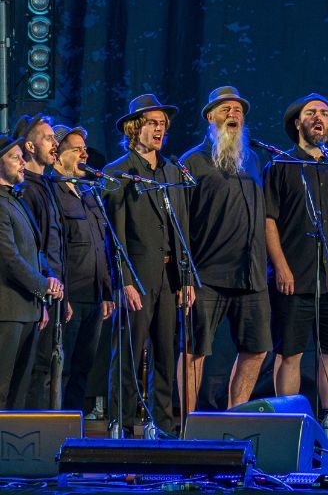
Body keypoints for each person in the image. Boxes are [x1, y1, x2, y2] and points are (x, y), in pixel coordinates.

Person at [265, 94, 328, 414]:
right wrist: (280, 267)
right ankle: (288, 424)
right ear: (298, 123)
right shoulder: (279, 164)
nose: (318, 118)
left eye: (324, 113)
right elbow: (268, 219)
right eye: (311, 113)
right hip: (293, 280)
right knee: (289, 354)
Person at [103, 94, 192, 433]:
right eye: (153, 123)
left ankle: (164, 425)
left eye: (163, 124)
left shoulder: (172, 171)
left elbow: (181, 227)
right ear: (134, 128)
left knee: (166, 355)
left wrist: (186, 278)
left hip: (170, 275)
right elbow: (115, 235)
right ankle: (121, 424)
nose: (159, 129)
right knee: (129, 352)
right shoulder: (118, 172)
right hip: (136, 275)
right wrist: (123, 279)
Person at [181, 86, 270, 411]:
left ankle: (236, 418)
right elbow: (180, 222)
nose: (233, 114)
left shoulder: (254, 159)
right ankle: (188, 423)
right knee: (195, 351)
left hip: (251, 275)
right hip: (207, 274)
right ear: (210, 117)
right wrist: (185, 275)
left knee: (257, 348)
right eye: (225, 109)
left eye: (238, 110)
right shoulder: (192, 161)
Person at [51, 125, 115, 415]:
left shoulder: (89, 193)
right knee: (61, 369)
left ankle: (74, 428)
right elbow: (55, 248)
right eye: (77, 149)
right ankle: (57, 428)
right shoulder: (52, 192)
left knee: (83, 368)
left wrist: (106, 290)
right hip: (70, 297)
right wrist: (62, 297)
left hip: (93, 297)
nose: (84, 154)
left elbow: (101, 246)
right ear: (58, 155)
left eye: (84, 149)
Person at [0, 135, 64, 408]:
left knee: (19, 390)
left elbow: (35, 249)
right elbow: (8, 257)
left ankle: (14, 447)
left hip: (28, 308)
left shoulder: (17, 200)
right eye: (15, 157)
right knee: (3, 387)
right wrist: (42, 284)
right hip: (7, 311)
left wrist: (48, 278)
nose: (22, 163)